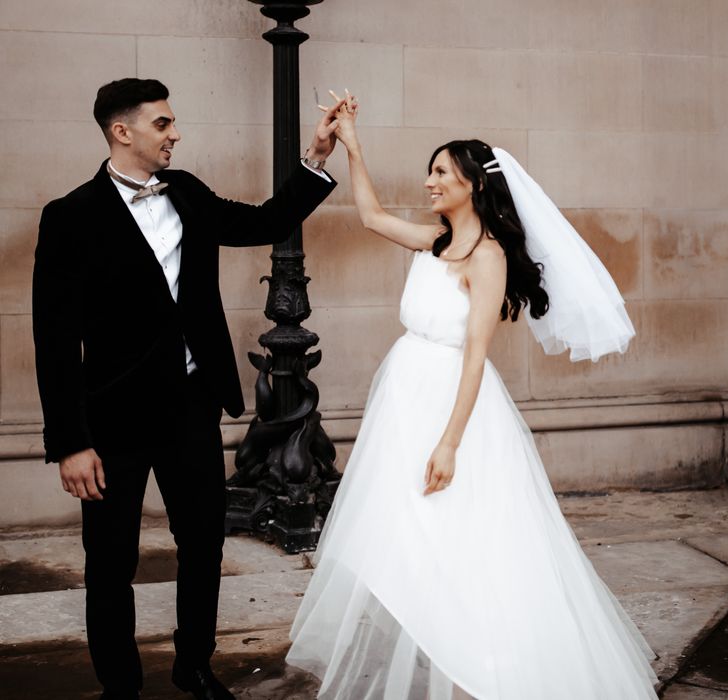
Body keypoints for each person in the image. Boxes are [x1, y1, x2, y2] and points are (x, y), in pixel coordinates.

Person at [286, 94, 659, 699]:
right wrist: (351, 144)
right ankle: (436, 641)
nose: (429, 181)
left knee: (461, 537)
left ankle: (480, 665)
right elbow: (373, 218)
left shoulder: (486, 259)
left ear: (470, 185)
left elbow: (476, 355)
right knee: (401, 533)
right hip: (404, 397)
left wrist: (450, 442)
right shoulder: (436, 242)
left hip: (451, 404)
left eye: (440, 173)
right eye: (430, 171)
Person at [32, 78, 342, 700]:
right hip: (112, 421)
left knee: (202, 544)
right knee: (110, 562)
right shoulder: (69, 217)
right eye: (163, 124)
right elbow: (54, 338)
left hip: (190, 408)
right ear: (123, 132)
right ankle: (120, 686)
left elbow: (263, 221)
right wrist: (70, 441)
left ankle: (194, 666)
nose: (176, 134)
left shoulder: (187, 192)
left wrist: (316, 158)